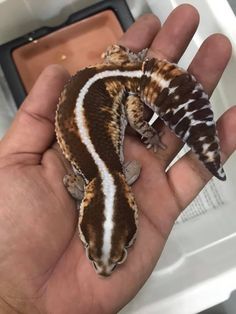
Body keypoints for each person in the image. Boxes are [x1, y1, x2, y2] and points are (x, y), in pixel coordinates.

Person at [0, 4, 235, 314]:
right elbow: (75, 182)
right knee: (143, 119)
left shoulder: (126, 174)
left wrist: (148, 134)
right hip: (115, 69)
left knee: (140, 122)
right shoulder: (81, 183)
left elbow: (131, 168)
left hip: (119, 85)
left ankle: (192, 135)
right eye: (119, 253)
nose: (105, 269)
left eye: (95, 251)